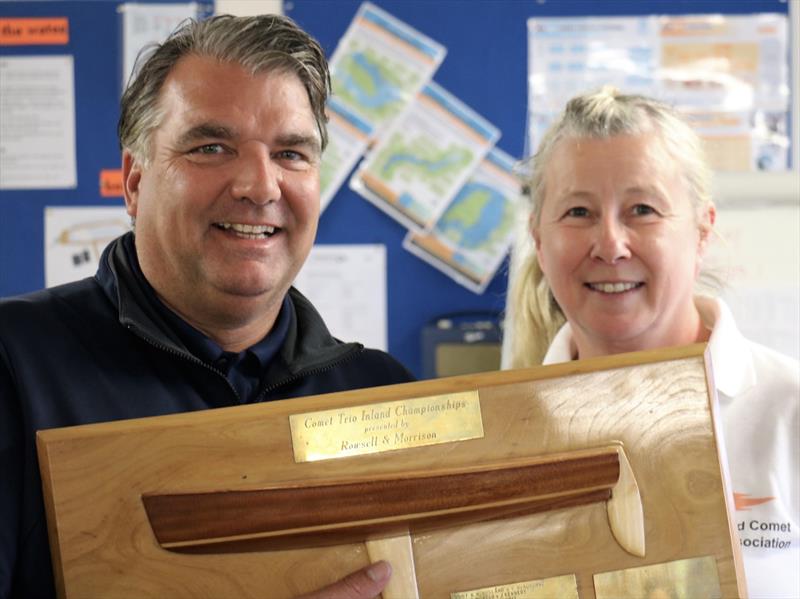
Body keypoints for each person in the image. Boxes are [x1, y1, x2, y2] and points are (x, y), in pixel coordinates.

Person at [0, 14, 411, 599]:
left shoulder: (382, 395)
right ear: (134, 183)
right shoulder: (16, 365)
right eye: (212, 146)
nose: (260, 186)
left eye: (291, 153)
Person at [504, 87, 799, 598]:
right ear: (538, 239)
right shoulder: (500, 438)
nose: (611, 245)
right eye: (578, 213)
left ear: (702, 231)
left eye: (642, 209)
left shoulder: (789, 411)